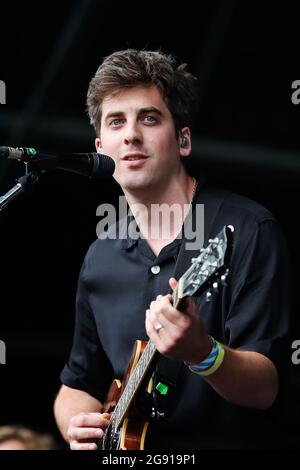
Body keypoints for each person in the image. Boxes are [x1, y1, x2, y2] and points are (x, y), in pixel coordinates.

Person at [53, 49, 290, 450]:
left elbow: (267, 387)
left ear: (183, 140)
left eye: (149, 117)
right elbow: (75, 385)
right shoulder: (101, 256)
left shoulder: (248, 229)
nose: (130, 134)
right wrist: (77, 426)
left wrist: (204, 353)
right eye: (116, 122)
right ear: (100, 148)